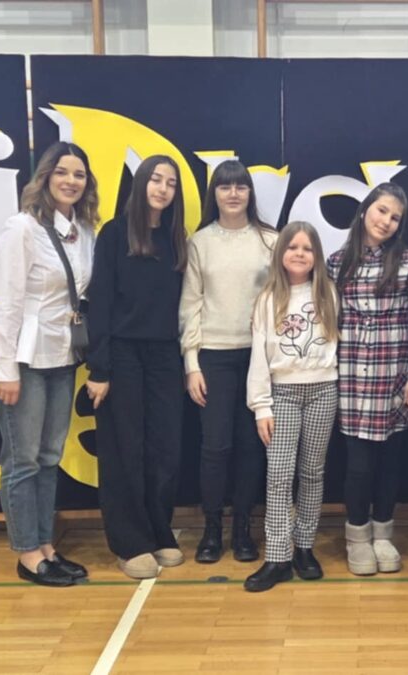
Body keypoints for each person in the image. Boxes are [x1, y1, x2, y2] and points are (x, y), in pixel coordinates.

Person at [0, 141, 98, 586]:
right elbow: (5, 302)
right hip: (21, 359)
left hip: (62, 355)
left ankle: (47, 546)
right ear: (45, 178)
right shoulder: (22, 228)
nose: (70, 181)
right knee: (21, 459)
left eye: (79, 174)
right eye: (62, 172)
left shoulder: (83, 231)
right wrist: (4, 368)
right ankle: (27, 554)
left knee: (48, 456)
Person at [85, 155, 188, 579]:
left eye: (171, 183)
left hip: (165, 355)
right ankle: (129, 542)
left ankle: (159, 530)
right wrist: (99, 368)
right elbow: (100, 302)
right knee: (123, 448)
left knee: (164, 448)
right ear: (141, 183)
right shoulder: (114, 233)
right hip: (122, 354)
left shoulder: (177, 239)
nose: (162, 188)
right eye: (156, 179)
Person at [180, 159, 277, 564]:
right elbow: (191, 305)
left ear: (250, 193)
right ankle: (211, 530)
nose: (233, 194)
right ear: (214, 194)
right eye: (225, 186)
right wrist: (192, 363)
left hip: (258, 357)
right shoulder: (200, 242)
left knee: (251, 448)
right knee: (215, 447)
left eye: (240, 186)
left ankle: (243, 529)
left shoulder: (271, 240)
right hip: (213, 358)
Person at [326, 182, 408, 576]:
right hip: (352, 376)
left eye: (395, 217)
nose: (386, 221)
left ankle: (384, 533)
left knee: (390, 463)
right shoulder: (336, 262)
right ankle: (357, 536)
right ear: (365, 209)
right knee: (358, 465)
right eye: (382, 211)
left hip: (394, 375)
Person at [244, 222, 340, 592]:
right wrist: (261, 406)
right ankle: (278, 556)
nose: (299, 254)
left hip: (322, 391)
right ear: (281, 253)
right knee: (279, 475)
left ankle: (304, 547)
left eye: (307, 248)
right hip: (282, 394)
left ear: (317, 256)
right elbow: (259, 355)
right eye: (293, 247)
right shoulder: (269, 299)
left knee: (312, 473)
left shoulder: (328, 293)